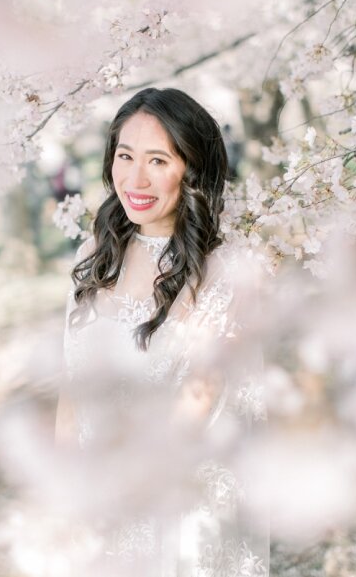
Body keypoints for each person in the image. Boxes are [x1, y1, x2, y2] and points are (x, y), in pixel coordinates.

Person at [56, 88, 268, 575]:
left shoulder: (228, 272)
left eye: (157, 161)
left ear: (191, 170)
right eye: (125, 156)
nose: (135, 178)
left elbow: (198, 398)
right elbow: (73, 385)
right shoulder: (93, 255)